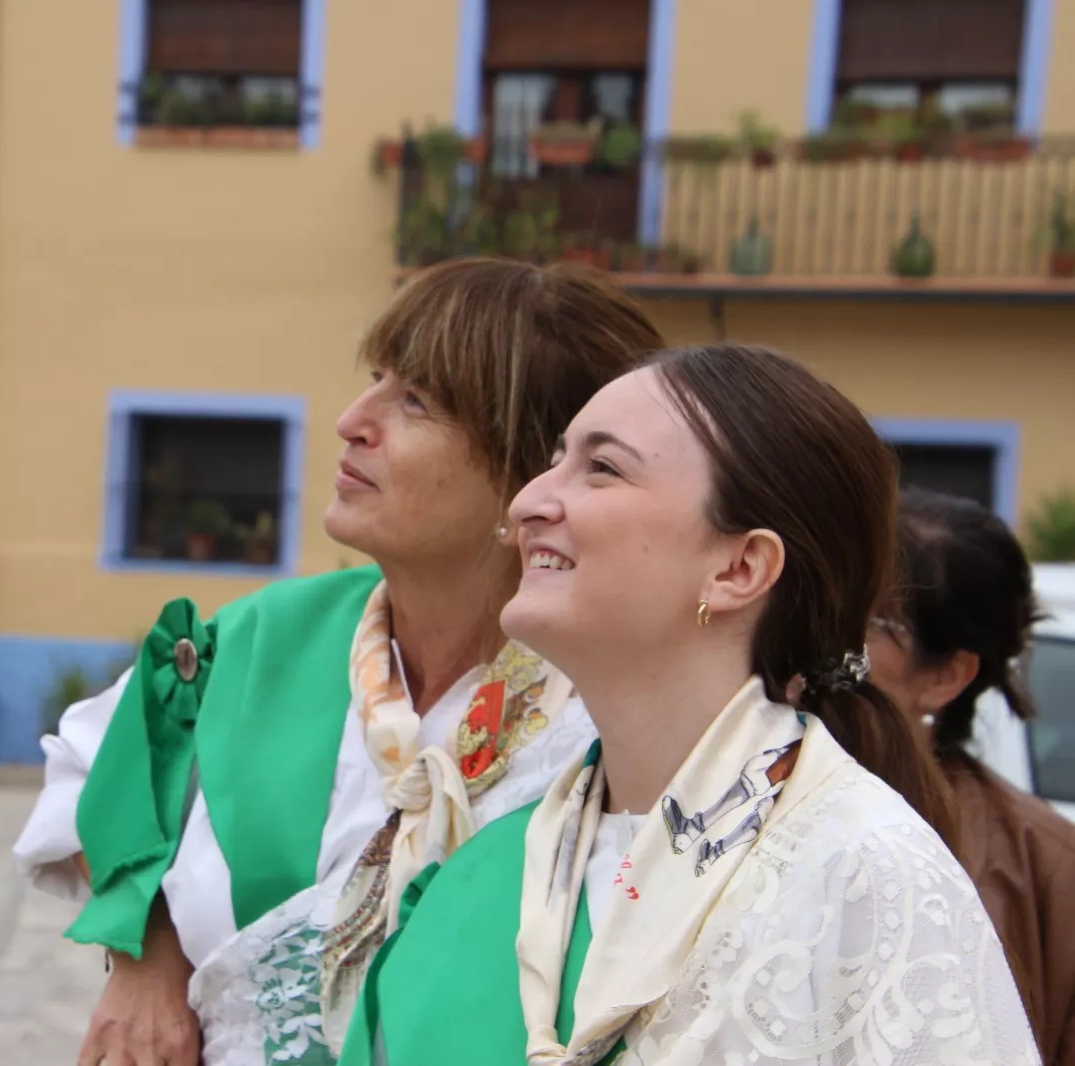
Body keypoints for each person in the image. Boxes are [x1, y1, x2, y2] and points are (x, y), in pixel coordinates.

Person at [12, 259, 666, 1066]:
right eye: (378, 379)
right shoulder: (260, 641)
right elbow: (87, 780)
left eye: (417, 402)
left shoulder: (614, 716)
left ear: (531, 472)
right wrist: (148, 954)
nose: (354, 419)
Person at [343, 344, 1037, 1065]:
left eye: (602, 468)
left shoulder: (862, 874)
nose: (529, 501)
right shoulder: (481, 871)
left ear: (738, 568)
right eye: (555, 460)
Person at [867, 487, 1075, 1066]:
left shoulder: (1047, 866)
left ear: (946, 676)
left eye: (877, 620)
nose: (834, 633)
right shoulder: (736, 789)